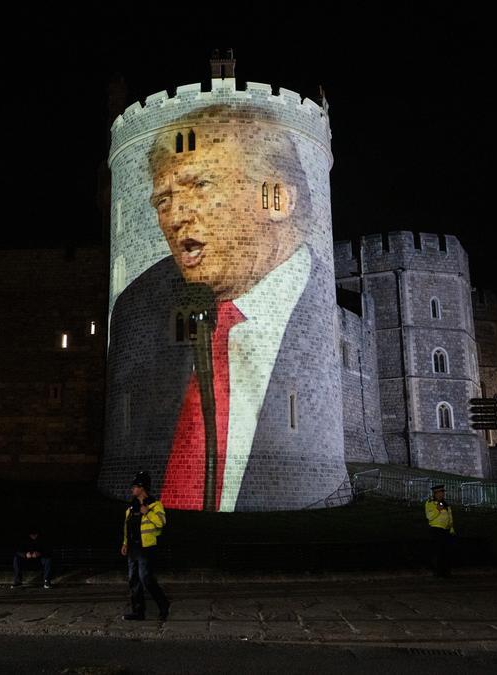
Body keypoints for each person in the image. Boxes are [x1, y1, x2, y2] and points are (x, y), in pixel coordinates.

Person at [102, 103, 346, 512]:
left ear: (276, 198)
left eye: (202, 185)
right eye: (163, 199)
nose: (176, 216)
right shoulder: (137, 307)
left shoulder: (318, 311)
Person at [121, 471, 169, 621]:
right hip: (133, 549)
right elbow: (126, 527)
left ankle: (163, 605)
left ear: (142, 488)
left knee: (146, 578)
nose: (132, 489)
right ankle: (138, 612)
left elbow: (161, 523)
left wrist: (148, 512)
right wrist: (124, 543)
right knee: (133, 580)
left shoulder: (155, 505)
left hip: (146, 548)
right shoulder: (130, 508)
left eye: (134, 487)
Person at [425, 485, 455, 578]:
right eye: (440, 493)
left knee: (447, 552)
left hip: (446, 531)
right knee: (438, 552)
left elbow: (449, 516)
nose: (442, 494)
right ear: (435, 494)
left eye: (443, 493)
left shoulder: (445, 504)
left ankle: (446, 572)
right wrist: (438, 509)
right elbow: (429, 517)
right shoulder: (430, 503)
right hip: (436, 529)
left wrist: (451, 528)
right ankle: (437, 572)